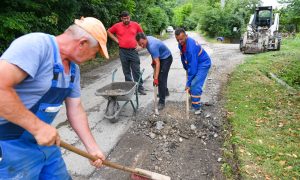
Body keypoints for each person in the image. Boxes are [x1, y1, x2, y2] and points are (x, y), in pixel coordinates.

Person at [0, 17, 108, 179]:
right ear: (82, 43)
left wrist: (92, 148)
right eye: (95, 52)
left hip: (46, 144)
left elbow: (76, 110)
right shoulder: (36, 45)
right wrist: (37, 128)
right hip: (10, 147)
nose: (93, 58)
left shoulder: (74, 71)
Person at [107, 11, 146, 95]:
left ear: (129, 17)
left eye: (127, 18)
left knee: (136, 70)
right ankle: (130, 89)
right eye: (124, 19)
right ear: (121, 19)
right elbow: (109, 32)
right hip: (123, 51)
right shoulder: (117, 26)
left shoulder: (135, 25)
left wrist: (140, 46)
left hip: (133, 51)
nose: (126, 20)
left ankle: (140, 87)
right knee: (126, 71)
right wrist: (116, 40)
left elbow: (142, 35)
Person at [175, 28, 211, 115]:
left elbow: (193, 69)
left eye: (181, 39)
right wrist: (186, 67)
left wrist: (188, 83)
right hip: (195, 62)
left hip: (203, 64)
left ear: (186, 36)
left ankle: (197, 108)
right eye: (177, 39)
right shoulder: (181, 44)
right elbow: (183, 57)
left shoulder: (191, 48)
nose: (179, 41)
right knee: (192, 83)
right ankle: (194, 100)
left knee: (194, 84)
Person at [136, 32, 173, 110]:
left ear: (145, 38)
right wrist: (153, 61)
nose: (142, 46)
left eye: (142, 43)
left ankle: (161, 102)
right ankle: (165, 92)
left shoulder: (152, 45)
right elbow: (154, 56)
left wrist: (156, 78)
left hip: (166, 59)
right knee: (157, 76)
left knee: (161, 79)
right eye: (140, 44)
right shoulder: (147, 39)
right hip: (160, 58)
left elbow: (158, 63)